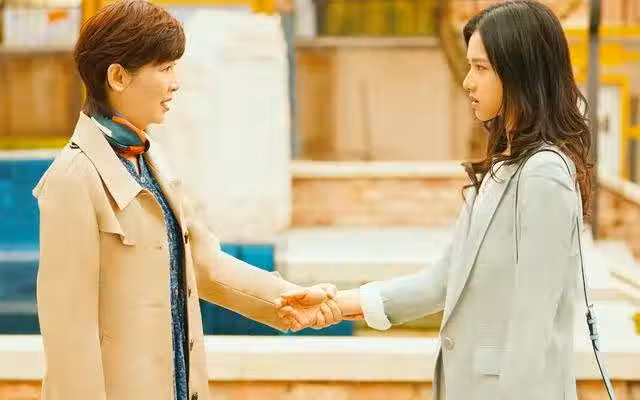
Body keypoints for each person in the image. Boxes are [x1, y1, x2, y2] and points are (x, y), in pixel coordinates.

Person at [277, 1, 592, 399]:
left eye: (480, 68)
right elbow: (441, 283)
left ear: (519, 73)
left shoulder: (544, 175)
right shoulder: (502, 171)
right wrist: (337, 304)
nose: (468, 82)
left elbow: (533, 327)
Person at [33, 1, 339, 399]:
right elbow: (69, 338)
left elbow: (204, 264)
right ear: (118, 77)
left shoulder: (151, 161)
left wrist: (288, 300)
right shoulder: (72, 179)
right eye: (165, 68)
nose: (176, 82)